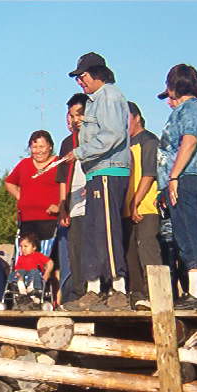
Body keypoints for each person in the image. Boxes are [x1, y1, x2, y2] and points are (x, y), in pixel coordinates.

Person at [61, 52, 131, 311]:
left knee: (107, 230)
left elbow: (111, 135)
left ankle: (118, 287)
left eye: (82, 76)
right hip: (95, 172)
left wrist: (79, 152)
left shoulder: (110, 96)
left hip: (109, 171)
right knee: (92, 232)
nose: (80, 81)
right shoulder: (94, 100)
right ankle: (92, 288)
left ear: (97, 73)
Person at [157, 64, 197, 309]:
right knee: (181, 231)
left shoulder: (191, 107)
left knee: (188, 231)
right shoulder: (182, 109)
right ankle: (193, 289)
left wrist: (174, 176)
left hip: (186, 177)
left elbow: (189, 141)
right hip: (178, 178)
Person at [123, 101, 163, 310]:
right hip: (127, 209)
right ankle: (137, 295)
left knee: (147, 248)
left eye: (126, 118)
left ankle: (155, 293)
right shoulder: (124, 145)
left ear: (137, 117)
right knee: (130, 253)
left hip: (145, 207)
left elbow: (148, 175)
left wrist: (135, 203)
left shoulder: (149, 141)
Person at [56, 93, 89, 303]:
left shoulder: (96, 138)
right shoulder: (67, 142)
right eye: (71, 115)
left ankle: (97, 291)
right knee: (74, 250)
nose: (75, 119)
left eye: (79, 114)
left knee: (92, 249)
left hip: (93, 200)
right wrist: (63, 207)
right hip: (74, 202)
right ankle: (78, 293)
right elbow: (61, 178)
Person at [5, 130, 61, 242]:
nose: (38, 151)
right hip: (26, 220)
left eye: (42, 146)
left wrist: (60, 205)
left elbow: (69, 186)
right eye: (34, 147)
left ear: (50, 147)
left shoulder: (58, 163)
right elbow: (9, 182)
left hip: (50, 220)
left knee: (49, 256)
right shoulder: (24, 164)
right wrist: (21, 197)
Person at [12, 233, 54, 300]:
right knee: (18, 275)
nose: (23, 249)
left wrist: (47, 273)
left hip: (35, 277)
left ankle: (32, 294)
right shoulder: (21, 258)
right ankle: (23, 294)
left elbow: (50, 263)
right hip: (23, 278)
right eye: (21, 246)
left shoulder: (38, 255)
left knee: (34, 272)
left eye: (26, 246)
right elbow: (17, 269)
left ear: (34, 247)